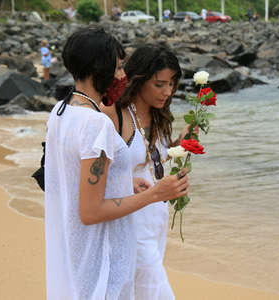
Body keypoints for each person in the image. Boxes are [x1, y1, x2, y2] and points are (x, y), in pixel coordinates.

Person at [44, 26, 189, 300]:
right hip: (103, 251)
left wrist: (124, 180)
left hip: (75, 250)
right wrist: (156, 193)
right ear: (100, 68)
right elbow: (91, 211)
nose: (123, 75)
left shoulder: (62, 111)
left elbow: (75, 177)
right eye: (119, 66)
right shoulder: (97, 122)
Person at [102, 44, 193, 300]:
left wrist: (179, 146)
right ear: (138, 80)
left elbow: (154, 163)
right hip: (128, 221)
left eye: (172, 84)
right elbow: (89, 170)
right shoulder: (114, 117)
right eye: (159, 84)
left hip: (156, 218)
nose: (168, 91)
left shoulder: (160, 117)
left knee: (136, 293)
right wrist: (125, 180)